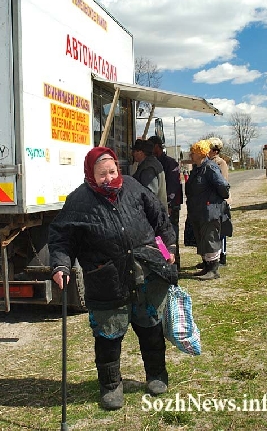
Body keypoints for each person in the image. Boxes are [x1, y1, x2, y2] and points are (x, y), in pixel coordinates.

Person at [48, 147, 178, 411]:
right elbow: (61, 237)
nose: (109, 178)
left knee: (151, 329)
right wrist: (60, 265)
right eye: (101, 174)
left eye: (112, 171)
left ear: (118, 169)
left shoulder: (133, 187)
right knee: (108, 338)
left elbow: (159, 222)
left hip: (145, 274)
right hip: (105, 279)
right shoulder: (79, 201)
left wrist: (167, 252)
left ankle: (156, 376)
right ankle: (111, 386)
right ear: (90, 174)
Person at [185, 140, 231, 281]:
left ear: (201, 154)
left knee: (210, 238)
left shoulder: (210, 167)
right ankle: (206, 266)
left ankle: (213, 270)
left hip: (209, 211)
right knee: (202, 239)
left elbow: (222, 185)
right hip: (198, 212)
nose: (191, 155)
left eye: (193, 153)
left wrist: (217, 200)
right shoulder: (197, 168)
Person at [148, 136, 183, 271]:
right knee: (160, 236)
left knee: (170, 235)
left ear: (157, 146)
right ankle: (165, 262)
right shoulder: (153, 162)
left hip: (169, 206)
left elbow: (174, 186)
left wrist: (169, 205)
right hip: (159, 207)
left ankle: (174, 264)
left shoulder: (169, 163)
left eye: (152, 146)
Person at [207, 137, 230, 266]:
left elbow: (223, 182)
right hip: (211, 201)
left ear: (215, 151)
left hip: (220, 200)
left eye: (210, 150)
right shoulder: (208, 162)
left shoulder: (220, 163)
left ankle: (223, 256)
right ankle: (213, 257)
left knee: (221, 229)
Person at [131, 139, 168, 211]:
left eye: (134, 151)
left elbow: (150, 196)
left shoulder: (148, 168)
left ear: (141, 152)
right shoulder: (152, 162)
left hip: (153, 215)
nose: (133, 154)